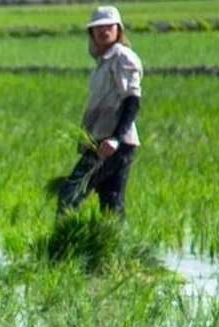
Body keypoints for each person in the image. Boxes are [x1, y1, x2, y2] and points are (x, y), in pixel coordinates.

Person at [57, 5, 143, 219]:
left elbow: (132, 100)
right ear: (92, 33)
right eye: (99, 27)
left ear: (118, 30)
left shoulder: (123, 57)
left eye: (109, 26)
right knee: (111, 203)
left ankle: (63, 246)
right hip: (101, 141)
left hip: (111, 144)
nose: (104, 31)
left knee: (69, 193)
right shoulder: (103, 62)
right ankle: (116, 250)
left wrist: (115, 139)